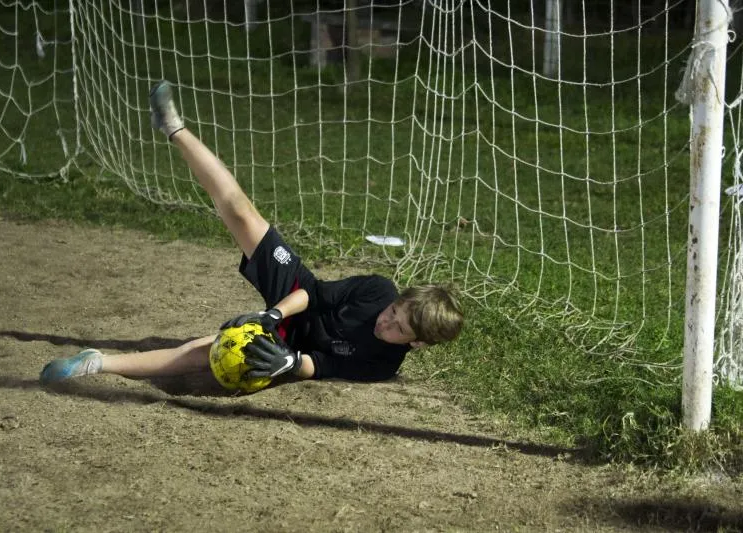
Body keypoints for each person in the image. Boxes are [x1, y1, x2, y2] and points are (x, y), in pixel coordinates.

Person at [39, 81, 463, 387]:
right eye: (395, 311)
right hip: (296, 304)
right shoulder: (377, 291)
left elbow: (322, 367)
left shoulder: (382, 364)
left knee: (204, 354)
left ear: (417, 345)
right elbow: (313, 296)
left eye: (398, 328)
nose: (387, 320)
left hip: (291, 347)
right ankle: (173, 127)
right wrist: (274, 313)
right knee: (241, 212)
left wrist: (287, 361)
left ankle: (97, 364)